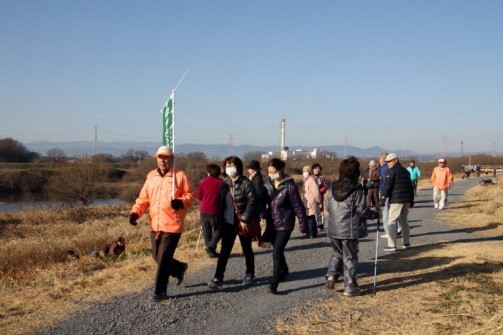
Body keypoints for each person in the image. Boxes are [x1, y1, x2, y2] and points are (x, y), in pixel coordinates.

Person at [129, 146, 195, 302]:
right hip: (155, 223)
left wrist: (181, 202)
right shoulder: (151, 176)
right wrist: (135, 213)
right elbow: (143, 198)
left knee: (164, 258)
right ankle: (179, 268)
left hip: (173, 223)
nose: (163, 160)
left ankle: (160, 290)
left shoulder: (179, 175)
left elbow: (191, 194)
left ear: (171, 159)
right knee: (156, 255)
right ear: (156, 159)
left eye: (166, 157)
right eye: (160, 157)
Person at [325, 156, 380, 296]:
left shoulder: (332, 187)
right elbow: (362, 210)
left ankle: (331, 275)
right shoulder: (357, 190)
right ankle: (350, 287)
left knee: (337, 253)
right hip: (348, 229)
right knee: (350, 258)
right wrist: (374, 215)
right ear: (355, 172)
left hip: (333, 228)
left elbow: (327, 207)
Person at [208, 156, 259, 289]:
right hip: (228, 222)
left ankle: (250, 273)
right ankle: (218, 277)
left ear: (238, 167)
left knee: (246, 249)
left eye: (232, 165)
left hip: (242, 222)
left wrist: (244, 219)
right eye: (227, 166)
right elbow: (220, 204)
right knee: (225, 251)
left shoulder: (246, 183)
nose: (230, 168)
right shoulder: (224, 184)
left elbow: (252, 202)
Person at [262, 158, 307, 294]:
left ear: (281, 170)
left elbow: (298, 206)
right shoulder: (267, 184)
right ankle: (285, 270)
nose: (271, 174)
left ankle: (274, 283)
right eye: (269, 172)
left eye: (274, 172)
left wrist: (303, 224)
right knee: (277, 250)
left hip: (285, 223)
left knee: (276, 251)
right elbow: (261, 200)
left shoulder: (290, 186)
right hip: (272, 224)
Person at [380, 153, 414, 252]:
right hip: (406, 200)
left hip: (396, 200)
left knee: (392, 221)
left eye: (389, 161)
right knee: (404, 221)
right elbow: (410, 187)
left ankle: (391, 245)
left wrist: (383, 197)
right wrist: (411, 200)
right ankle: (406, 243)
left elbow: (388, 186)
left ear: (395, 160)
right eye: (386, 162)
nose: (388, 164)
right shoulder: (406, 171)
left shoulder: (392, 172)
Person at [196, 164, 227, 258]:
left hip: (203, 209)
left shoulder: (203, 182)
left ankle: (210, 250)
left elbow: (199, 197)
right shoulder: (222, 184)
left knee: (206, 229)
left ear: (209, 172)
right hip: (215, 210)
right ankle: (211, 246)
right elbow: (223, 199)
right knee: (221, 229)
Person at [302, 165, 321, 238]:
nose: (304, 173)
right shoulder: (306, 180)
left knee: (310, 217)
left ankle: (311, 233)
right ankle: (312, 232)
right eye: (303, 171)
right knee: (310, 217)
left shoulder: (311, 180)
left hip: (311, 201)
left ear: (309, 172)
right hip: (307, 201)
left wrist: (318, 200)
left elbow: (316, 191)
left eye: (306, 171)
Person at [312, 163, 329, 230]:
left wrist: (319, 191)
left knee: (320, 210)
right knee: (312, 210)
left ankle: (320, 225)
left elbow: (325, 187)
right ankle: (313, 225)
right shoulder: (311, 177)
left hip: (320, 196)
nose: (317, 170)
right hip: (312, 196)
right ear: (312, 169)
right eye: (315, 168)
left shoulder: (322, 178)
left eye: (318, 168)